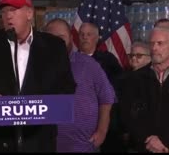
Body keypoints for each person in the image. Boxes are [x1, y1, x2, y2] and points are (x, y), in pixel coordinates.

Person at [0, 0, 76, 152]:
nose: (8, 16)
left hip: (39, 140)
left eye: (13, 9)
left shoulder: (54, 47)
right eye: (4, 11)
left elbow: (67, 87)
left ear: (29, 13)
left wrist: (41, 104)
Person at [44, 18, 116, 152]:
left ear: (71, 38)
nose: (56, 42)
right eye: (51, 38)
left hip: (84, 147)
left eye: (61, 37)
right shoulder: (36, 68)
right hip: (48, 146)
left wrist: (102, 131)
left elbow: (107, 98)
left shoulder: (89, 64)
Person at [120, 27, 169, 153]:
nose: (154, 48)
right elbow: (128, 114)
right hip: (144, 147)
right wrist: (149, 140)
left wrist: (165, 142)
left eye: (160, 43)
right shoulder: (135, 78)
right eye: (152, 43)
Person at [77, 22, 124, 152]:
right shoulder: (70, 60)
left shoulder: (108, 60)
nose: (85, 37)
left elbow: (118, 87)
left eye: (89, 34)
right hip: (78, 120)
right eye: (82, 34)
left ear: (97, 38)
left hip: (104, 118)